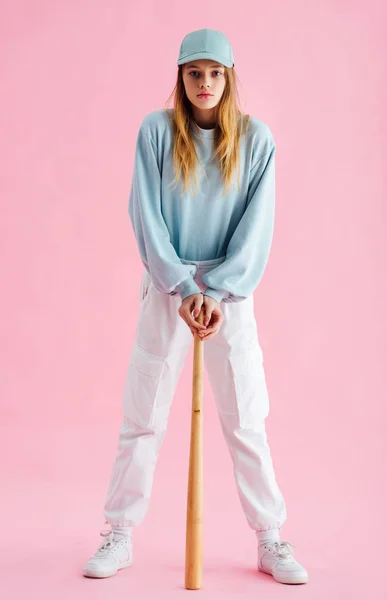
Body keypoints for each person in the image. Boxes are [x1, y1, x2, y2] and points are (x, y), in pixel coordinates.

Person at [82, 28, 308, 586]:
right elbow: (146, 215)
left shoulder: (257, 140)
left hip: (229, 295)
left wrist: (216, 292)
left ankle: (270, 537)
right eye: (193, 73)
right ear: (179, 78)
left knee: (247, 420)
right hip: (168, 290)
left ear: (230, 77)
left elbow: (258, 229)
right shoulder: (156, 132)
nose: (204, 84)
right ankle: (119, 532)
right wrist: (184, 290)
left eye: (215, 73)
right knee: (144, 417)